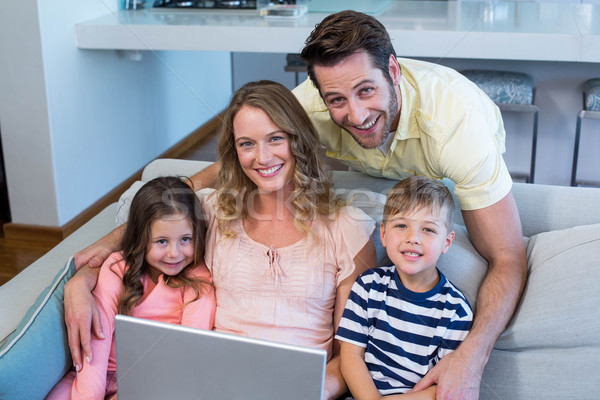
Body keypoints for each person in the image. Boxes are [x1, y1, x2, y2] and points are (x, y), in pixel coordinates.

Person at [65, 81, 377, 399]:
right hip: (213, 384)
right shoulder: (213, 211)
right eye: (247, 144)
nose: (263, 157)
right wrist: (82, 279)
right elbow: (149, 227)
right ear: (234, 151)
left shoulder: (348, 229)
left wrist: (314, 391)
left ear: (298, 140)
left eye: (276, 138)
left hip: (298, 388)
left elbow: (350, 355)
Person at [49, 177, 215, 399]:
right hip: (96, 373)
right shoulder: (117, 267)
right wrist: (87, 395)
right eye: (162, 241)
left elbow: (187, 351)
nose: (175, 253)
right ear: (141, 238)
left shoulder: (200, 280)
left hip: (152, 381)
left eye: (185, 239)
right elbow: (97, 337)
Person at [336, 176, 473, 399]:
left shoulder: (456, 310)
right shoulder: (368, 286)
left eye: (428, 230)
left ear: (446, 242)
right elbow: (350, 357)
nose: (413, 238)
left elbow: (444, 385)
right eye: (401, 225)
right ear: (384, 234)